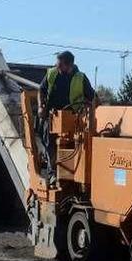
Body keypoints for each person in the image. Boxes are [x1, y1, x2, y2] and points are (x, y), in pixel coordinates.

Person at [38, 51, 96, 184]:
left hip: (73, 119)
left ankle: (71, 173)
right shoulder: (52, 73)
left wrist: (90, 109)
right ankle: (52, 174)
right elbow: (41, 90)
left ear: (69, 65)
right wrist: (41, 106)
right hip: (53, 117)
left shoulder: (80, 78)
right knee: (50, 142)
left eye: (59, 65)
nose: (56, 67)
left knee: (72, 145)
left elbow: (92, 97)